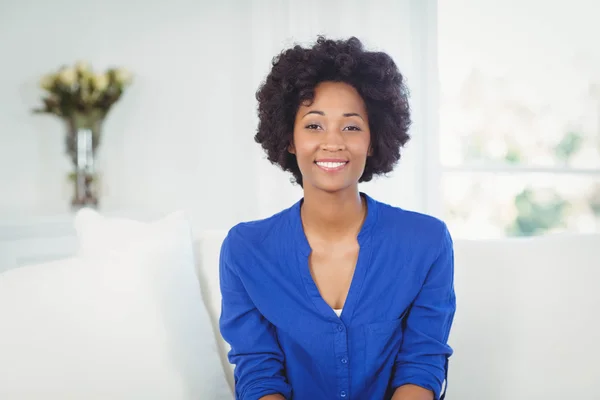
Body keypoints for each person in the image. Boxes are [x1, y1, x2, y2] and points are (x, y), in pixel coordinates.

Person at [219, 36, 456, 400]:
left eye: (351, 126)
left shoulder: (426, 242)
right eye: (314, 126)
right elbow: (258, 374)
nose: (333, 142)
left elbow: (422, 365)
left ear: (374, 140)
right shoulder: (246, 250)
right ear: (289, 139)